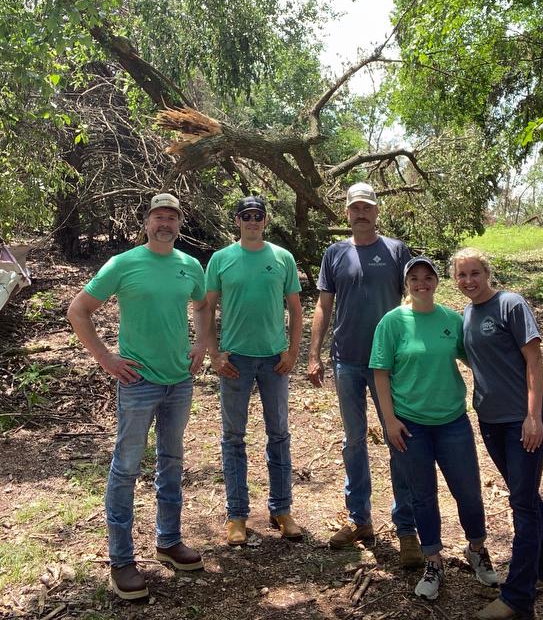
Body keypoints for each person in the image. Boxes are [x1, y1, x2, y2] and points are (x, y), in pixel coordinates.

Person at [67, 193, 209, 600]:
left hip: (179, 381)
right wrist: (105, 357)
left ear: (179, 223)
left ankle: (168, 541)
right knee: (126, 467)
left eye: (172, 217)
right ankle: (122, 560)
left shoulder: (189, 265)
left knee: (172, 461)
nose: (165, 223)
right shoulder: (123, 264)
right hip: (138, 383)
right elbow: (79, 310)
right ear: (147, 222)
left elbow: (201, 306)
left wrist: (200, 343)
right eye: (158, 216)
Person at [370, 256, 499, 601]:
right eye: (415, 278)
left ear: (437, 282)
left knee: (468, 491)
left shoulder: (452, 320)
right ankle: (433, 561)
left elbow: (477, 358)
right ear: (406, 283)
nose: (422, 283)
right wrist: (390, 420)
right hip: (410, 426)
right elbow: (380, 373)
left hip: (452, 421)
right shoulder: (392, 323)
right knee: (422, 497)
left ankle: (477, 549)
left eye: (428, 277)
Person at [307, 182, 421, 566]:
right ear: (346, 213)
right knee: (353, 441)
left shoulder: (396, 251)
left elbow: (413, 299)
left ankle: (406, 529)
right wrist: (314, 354)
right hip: (347, 361)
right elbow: (324, 305)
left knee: (398, 439)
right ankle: (360, 520)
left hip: (390, 364)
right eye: (354, 207)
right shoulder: (334, 253)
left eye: (366, 207)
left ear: (376, 211)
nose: (360, 213)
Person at [451, 248, 543, 620]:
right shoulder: (467, 314)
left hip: (523, 422)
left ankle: (517, 598)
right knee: (526, 496)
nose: (468, 281)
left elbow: (534, 360)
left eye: (474, 273)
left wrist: (534, 415)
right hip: (490, 422)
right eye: (461, 275)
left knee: (522, 505)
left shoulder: (511, 305)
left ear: (487, 273)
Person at [206, 196, 303, 546]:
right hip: (236, 362)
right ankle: (237, 515)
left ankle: (282, 509)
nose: (252, 221)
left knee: (279, 434)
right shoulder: (220, 259)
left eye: (257, 216)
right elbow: (206, 308)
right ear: (237, 221)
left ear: (265, 220)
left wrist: (293, 352)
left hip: (274, 361)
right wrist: (214, 354)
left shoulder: (282, 258)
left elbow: (295, 308)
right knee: (234, 438)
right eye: (246, 216)